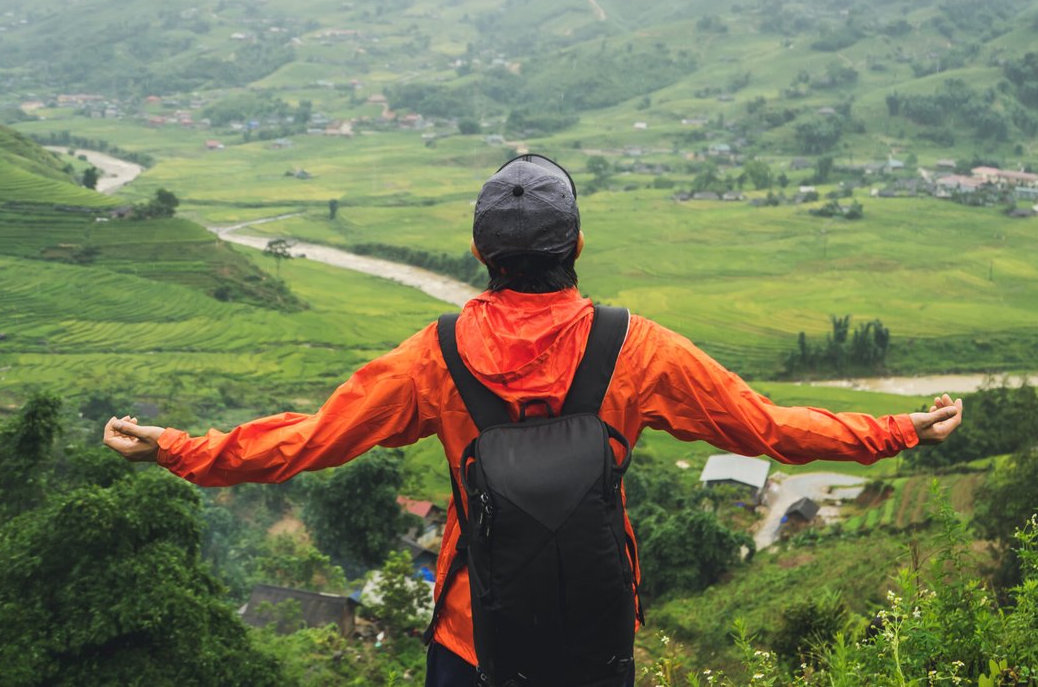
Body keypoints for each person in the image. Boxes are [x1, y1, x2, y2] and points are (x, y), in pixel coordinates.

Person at [104, 153, 962, 685]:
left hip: (475, 638)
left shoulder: (431, 357)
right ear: (576, 247)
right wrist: (899, 430)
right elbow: (768, 429)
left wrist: (178, 447)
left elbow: (306, 443)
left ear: (483, 255)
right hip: (595, 631)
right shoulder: (638, 348)